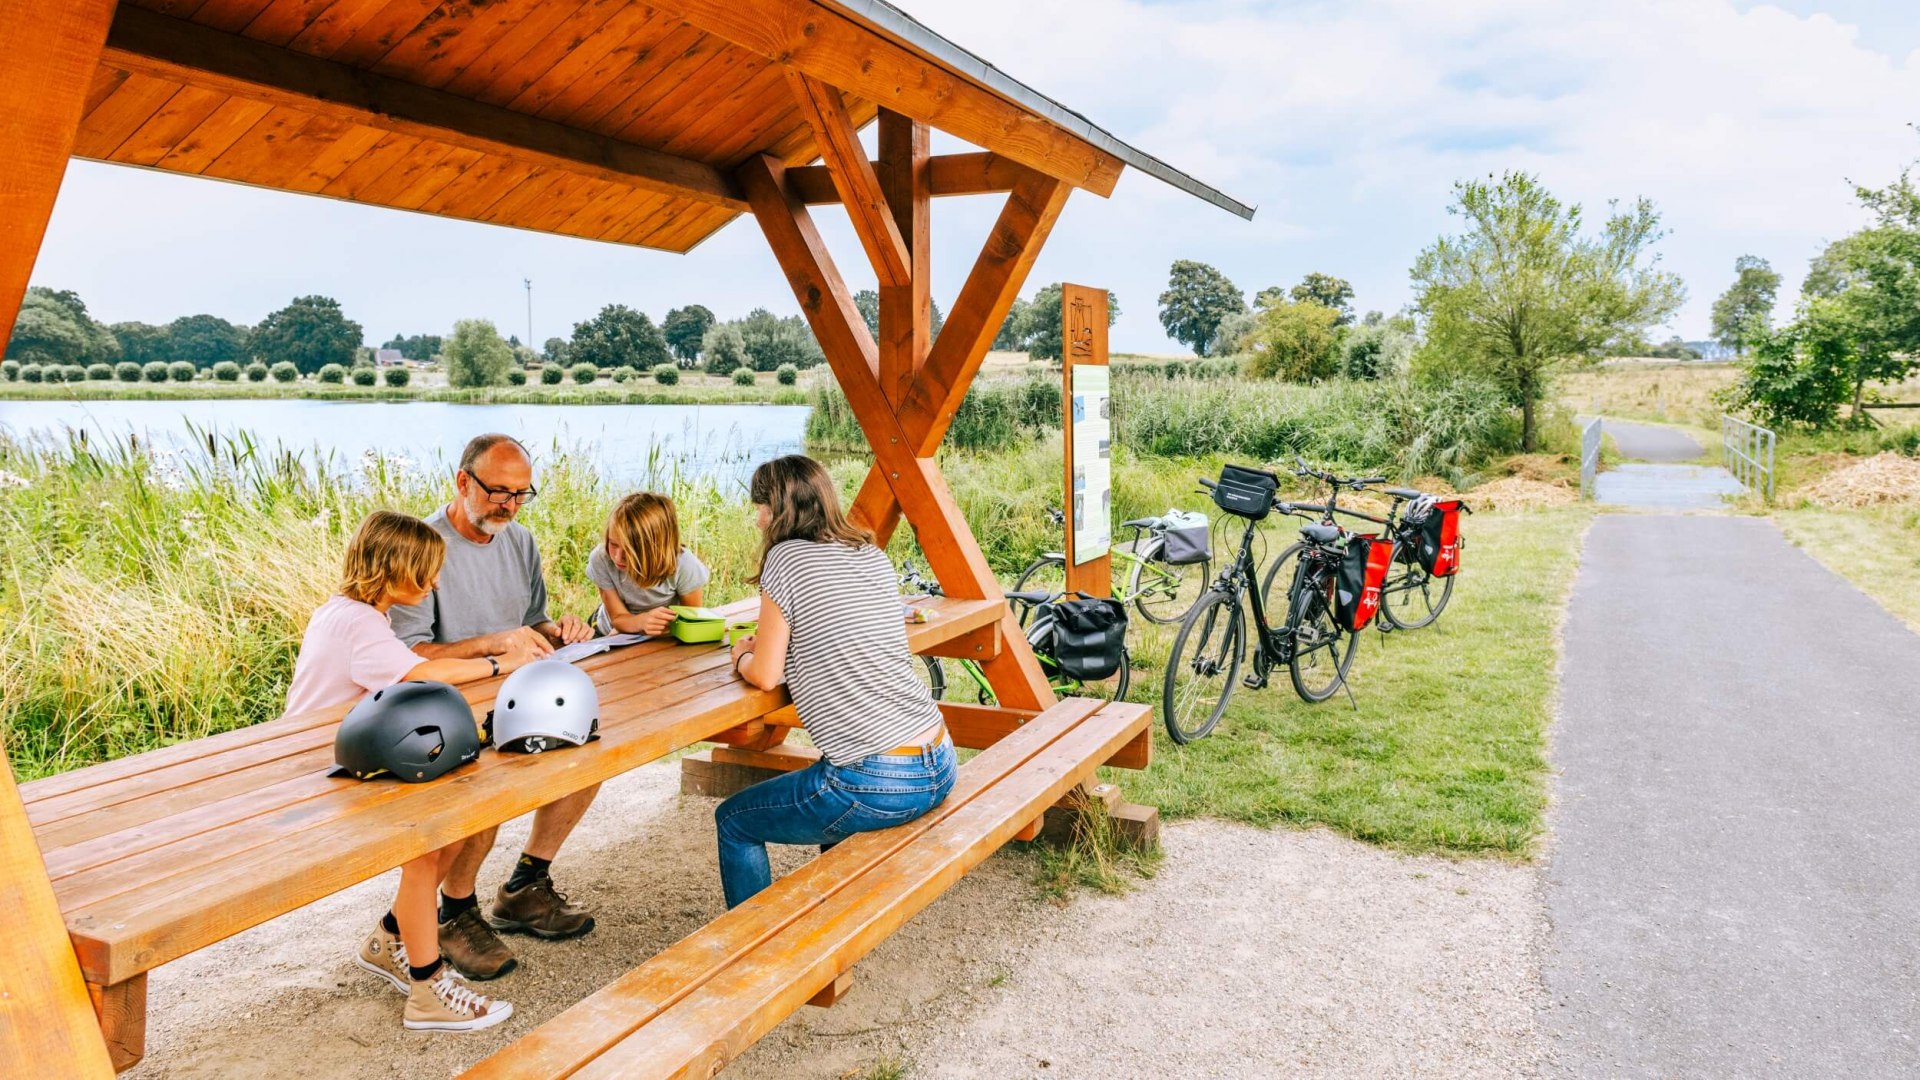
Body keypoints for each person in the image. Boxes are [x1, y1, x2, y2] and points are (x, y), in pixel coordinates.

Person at [285, 510, 535, 1032]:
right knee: (429, 844)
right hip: (322, 769)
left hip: (337, 755)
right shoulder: (358, 623)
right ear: (393, 567)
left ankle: (390, 937)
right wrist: (500, 664)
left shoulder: (352, 613)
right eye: (426, 571)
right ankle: (427, 988)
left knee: (450, 829)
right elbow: (423, 675)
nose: (435, 582)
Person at [388, 433, 599, 981]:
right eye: (499, 491)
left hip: (515, 692)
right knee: (485, 798)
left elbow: (532, 621)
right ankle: (454, 914)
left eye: (521, 494)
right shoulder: (423, 546)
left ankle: (526, 883)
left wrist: (562, 630)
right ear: (463, 482)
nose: (509, 504)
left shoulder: (519, 540)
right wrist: (492, 646)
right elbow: (411, 654)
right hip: (445, 702)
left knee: (590, 753)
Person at [721, 455, 957, 908]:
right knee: (834, 803)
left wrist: (742, 653)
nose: (757, 519)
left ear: (779, 509)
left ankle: (754, 955)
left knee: (735, 820)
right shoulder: (868, 553)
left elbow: (766, 673)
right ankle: (830, 919)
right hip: (940, 758)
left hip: (878, 779)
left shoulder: (785, 557)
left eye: (760, 507)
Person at [587, 491, 710, 636]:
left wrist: (652, 627)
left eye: (629, 550)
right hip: (606, 629)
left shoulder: (685, 566)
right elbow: (618, 618)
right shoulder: (601, 558)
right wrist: (641, 622)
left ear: (655, 548)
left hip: (660, 635)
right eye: (613, 544)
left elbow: (691, 619)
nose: (618, 557)